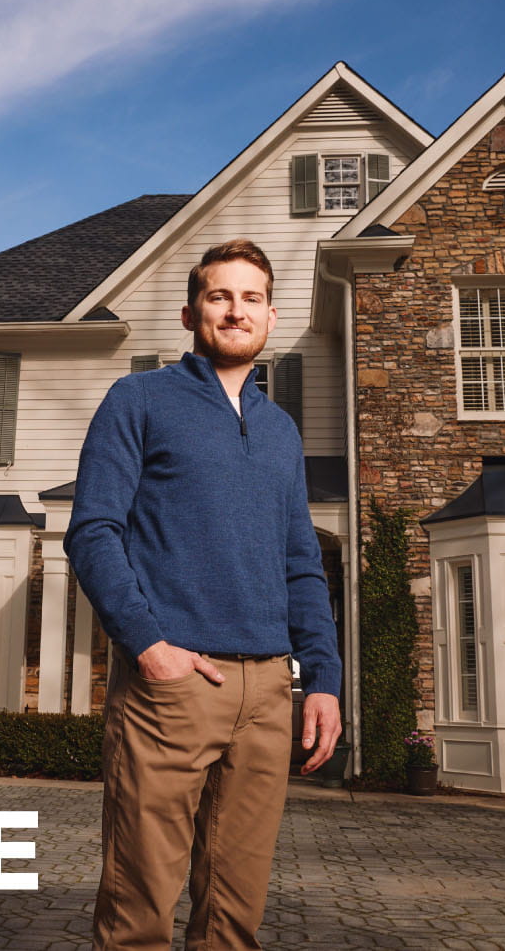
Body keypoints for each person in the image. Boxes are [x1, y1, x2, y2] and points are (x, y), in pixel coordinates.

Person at [66, 239, 343, 950]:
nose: (235, 309)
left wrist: (322, 682)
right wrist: (150, 647)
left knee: (233, 918)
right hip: (174, 689)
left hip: (267, 694)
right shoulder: (140, 400)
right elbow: (94, 532)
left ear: (271, 316)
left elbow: (301, 563)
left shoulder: (280, 430)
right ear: (192, 312)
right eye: (220, 295)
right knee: (140, 913)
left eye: (251, 297)